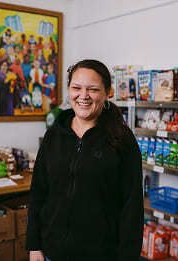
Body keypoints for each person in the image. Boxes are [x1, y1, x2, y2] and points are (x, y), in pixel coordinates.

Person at [26, 59, 143, 261]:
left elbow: (132, 207)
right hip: (52, 252)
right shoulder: (55, 134)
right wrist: (34, 245)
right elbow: (38, 192)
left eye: (93, 89)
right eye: (76, 88)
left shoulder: (121, 139)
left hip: (101, 255)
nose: (83, 96)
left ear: (108, 92)